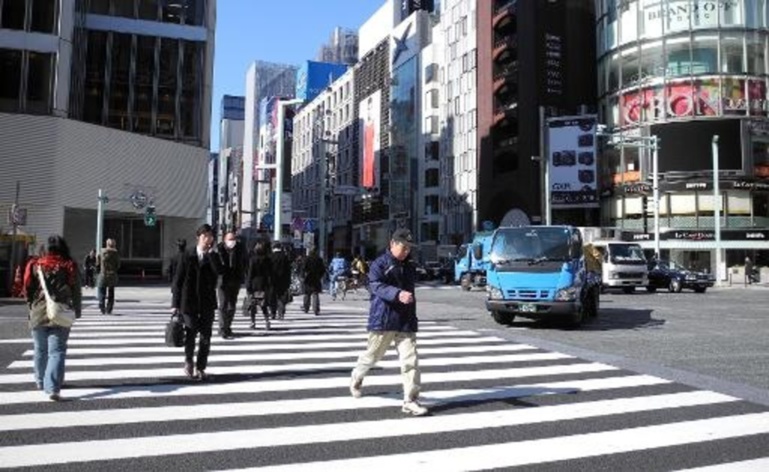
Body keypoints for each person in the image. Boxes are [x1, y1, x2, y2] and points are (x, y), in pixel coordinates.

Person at [349, 228, 428, 416]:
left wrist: (412, 315)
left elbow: (411, 293)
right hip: (383, 319)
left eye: (410, 248)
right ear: (392, 244)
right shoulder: (379, 264)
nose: (407, 251)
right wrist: (397, 294)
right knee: (373, 356)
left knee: (411, 360)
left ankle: (411, 399)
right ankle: (357, 376)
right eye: (404, 247)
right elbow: (375, 285)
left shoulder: (410, 265)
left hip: (405, 320)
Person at [23, 235, 82, 401]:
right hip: (60, 312)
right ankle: (53, 388)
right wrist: (76, 311)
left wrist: (30, 307)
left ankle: (40, 381)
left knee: (40, 349)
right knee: (57, 351)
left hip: (38, 312)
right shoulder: (69, 265)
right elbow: (76, 291)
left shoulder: (35, 265)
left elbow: (27, 288)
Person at [171, 224, 222, 381]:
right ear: (198, 238)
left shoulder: (213, 256)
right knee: (191, 335)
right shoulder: (187, 256)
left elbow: (220, 272)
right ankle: (188, 362)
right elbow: (177, 281)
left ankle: (201, 367)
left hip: (207, 303)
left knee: (206, 337)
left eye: (210, 236)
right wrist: (175, 304)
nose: (208, 239)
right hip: (189, 302)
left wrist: (212, 254)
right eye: (205, 236)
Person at [216, 232, 246, 339]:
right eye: (229, 239)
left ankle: (227, 326)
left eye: (233, 239)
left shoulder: (240, 249)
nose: (231, 241)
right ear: (224, 240)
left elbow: (244, 263)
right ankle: (222, 328)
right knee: (223, 304)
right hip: (223, 281)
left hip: (235, 280)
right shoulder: (219, 249)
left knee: (232, 306)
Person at [245, 240, 273, 330]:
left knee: (253, 304)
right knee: (263, 304)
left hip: (254, 285)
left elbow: (250, 273)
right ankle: (267, 321)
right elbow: (270, 273)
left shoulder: (253, 260)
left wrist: (248, 285)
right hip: (264, 284)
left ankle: (253, 322)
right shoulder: (268, 260)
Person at [97, 239, 120, 315]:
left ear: (106, 244)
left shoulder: (101, 252)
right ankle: (109, 309)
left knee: (101, 290)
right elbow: (118, 265)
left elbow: (97, 263)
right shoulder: (116, 254)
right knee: (111, 293)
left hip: (103, 274)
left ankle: (101, 304)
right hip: (112, 275)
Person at [269, 243, 292, 319]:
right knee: (281, 296)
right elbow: (288, 271)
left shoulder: (270, 257)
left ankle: (273, 313)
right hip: (283, 280)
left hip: (272, 280)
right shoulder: (285, 257)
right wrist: (288, 281)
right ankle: (281, 312)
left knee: (272, 297)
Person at [302, 248, 326, 316]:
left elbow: (303, 269)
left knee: (307, 294)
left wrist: (303, 276)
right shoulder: (319, 259)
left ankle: (306, 308)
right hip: (316, 278)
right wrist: (319, 276)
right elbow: (323, 270)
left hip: (308, 279)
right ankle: (316, 309)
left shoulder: (306, 259)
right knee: (315, 294)